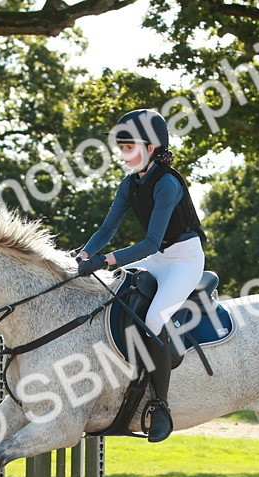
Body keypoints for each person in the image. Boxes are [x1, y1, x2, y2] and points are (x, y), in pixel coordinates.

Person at [75, 108, 207, 443]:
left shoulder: (167, 183)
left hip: (184, 261)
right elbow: (108, 228)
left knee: (154, 318)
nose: (123, 154)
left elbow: (149, 240)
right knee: (116, 296)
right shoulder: (129, 184)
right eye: (121, 148)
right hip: (157, 258)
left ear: (151, 147)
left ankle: (160, 406)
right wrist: (84, 254)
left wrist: (105, 259)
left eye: (129, 147)